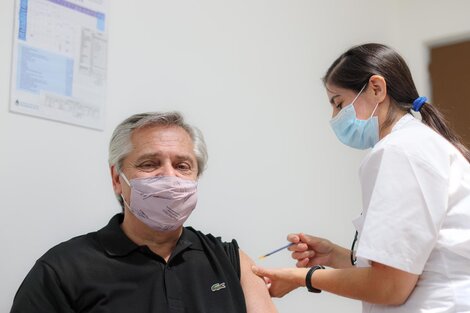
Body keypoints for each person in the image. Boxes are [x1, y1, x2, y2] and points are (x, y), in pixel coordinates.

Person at [252, 43, 470, 312]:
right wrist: (335, 255)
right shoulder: (419, 144)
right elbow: (407, 265)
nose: (334, 117)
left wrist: (302, 277)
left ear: (377, 89)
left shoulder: (399, 151)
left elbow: (390, 286)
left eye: (339, 103)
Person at [11, 111, 278, 313]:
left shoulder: (230, 260)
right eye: (149, 164)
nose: (169, 177)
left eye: (182, 166)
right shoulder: (61, 270)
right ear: (117, 178)